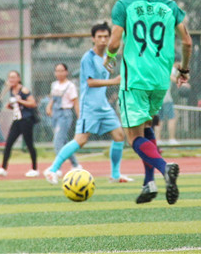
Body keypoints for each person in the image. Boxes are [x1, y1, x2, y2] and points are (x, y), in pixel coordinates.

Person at [104, 0, 192, 205]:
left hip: (135, 80)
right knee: (146, 127)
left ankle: (164, 168)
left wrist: (109, 57)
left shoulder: (124, 5)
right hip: (160, 81)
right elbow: (187, 42)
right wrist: (184, 70)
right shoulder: (170, 6)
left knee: (133, 137)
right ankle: (149, 183)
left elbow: (114, 42)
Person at [43, 23, 134, 185]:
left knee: (119, 136)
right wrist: (114, 81)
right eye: (99, 37)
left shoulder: (107, 57)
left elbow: (108, 71)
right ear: (93, 39)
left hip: (103, 106)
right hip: (89, 107)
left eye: (106, 36)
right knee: (81, 140)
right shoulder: (88, 58)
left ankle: (115, 175)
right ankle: (52, 170)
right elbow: (90, 82)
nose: (103, 40)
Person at [0, 70, 39, 177]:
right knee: (9, 143)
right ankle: (3, 168)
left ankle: (34, 169)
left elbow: (32, 103)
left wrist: (20, 101)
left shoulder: (24, 90)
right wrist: (10, 105)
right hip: (17, 120)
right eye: (10, 77)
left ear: (18, 78)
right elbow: (15, 105)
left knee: (29, 144)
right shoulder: (11, 90)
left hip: (26, 120)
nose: (11, 80)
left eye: (14, 77)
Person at [46, 63, 80, 169]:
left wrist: (79, 117)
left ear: (66, 72)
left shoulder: (70, 86)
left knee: (58, 141)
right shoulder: (54, 85)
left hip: (65, 114)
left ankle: (56, 168)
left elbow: (75, 102)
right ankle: (75, 164)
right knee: (64, 141)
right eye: (57, 71)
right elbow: (52, 98)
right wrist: (49, 107)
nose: (59, 73)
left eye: (61, 71)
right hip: (55, 114)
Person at [157, 64, 180, 145]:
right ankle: (171, 139)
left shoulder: (158, 66)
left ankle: (158, 140)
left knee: (159, 119)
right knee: (172, 117)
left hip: (157, 96)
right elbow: (170, 76)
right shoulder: (171, 68)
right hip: (166, 97)